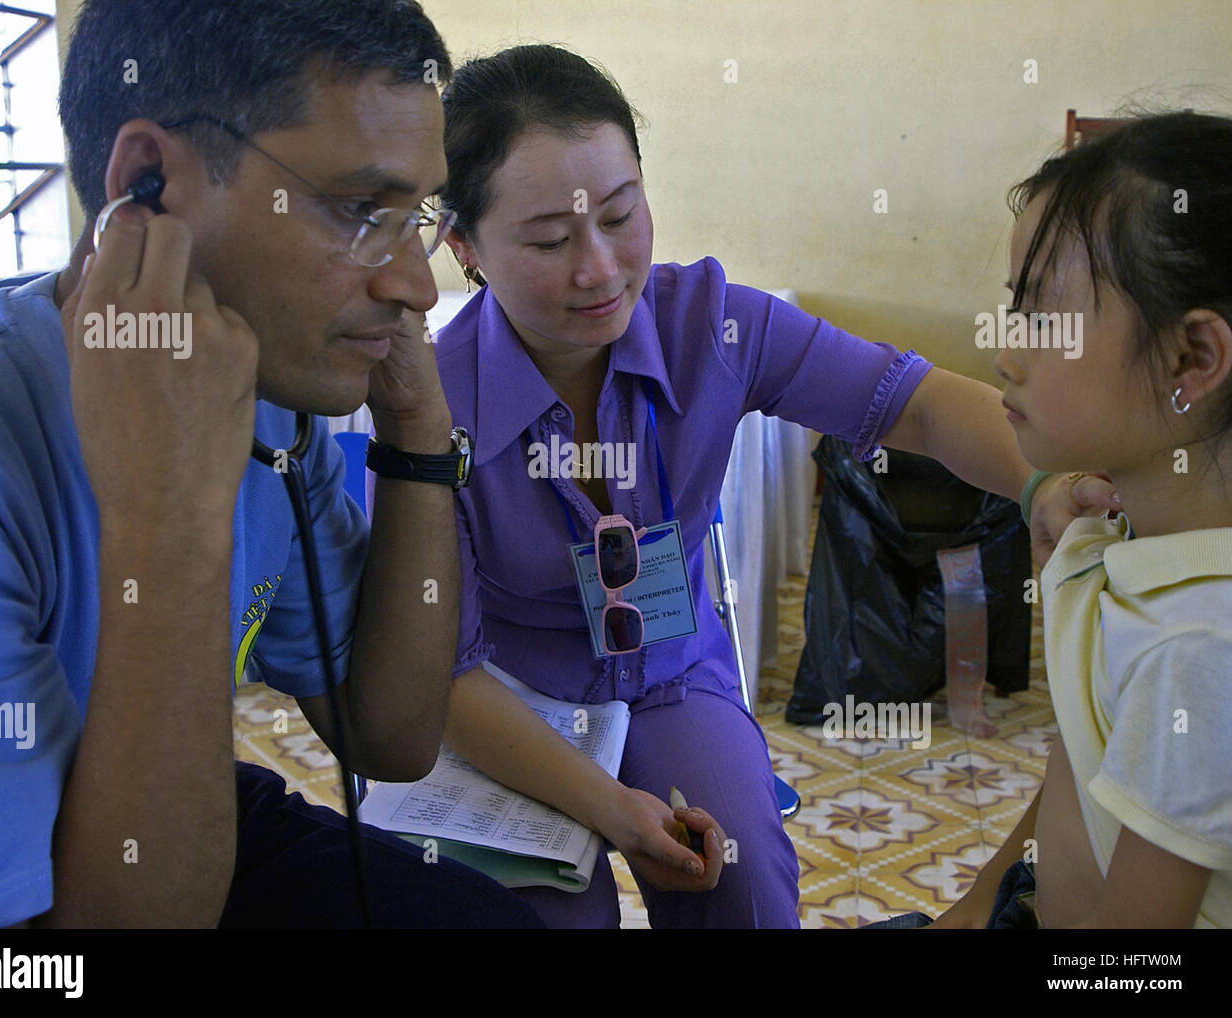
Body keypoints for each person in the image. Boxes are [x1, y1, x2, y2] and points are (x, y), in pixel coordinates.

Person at [429, 44, 1113, 928]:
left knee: (739, 880)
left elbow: (917, 405)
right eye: (550, 241)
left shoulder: (709, 326)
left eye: (622, 214)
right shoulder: (432, 407)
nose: (600, 269)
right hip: (511, 706)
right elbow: (441, 678)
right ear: (463, 246)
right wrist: (610, 808)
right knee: (549, 917)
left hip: (668, 675)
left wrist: (1041, 488)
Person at [0, 0, 543, 929]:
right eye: (355, 209)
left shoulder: (263, 388)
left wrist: (417, 431)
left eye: (412, 215)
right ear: (148, 181)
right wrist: (170, 512)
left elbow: (389, 735)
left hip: (158, 801)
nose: (418, 285)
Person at [928, 111, 1231, 928]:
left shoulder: (1198, 647)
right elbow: (1076, 789)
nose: (1005, 353)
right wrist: (966, 914)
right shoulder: (1125, 533)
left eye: (1044, 319)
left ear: (1190, 359)